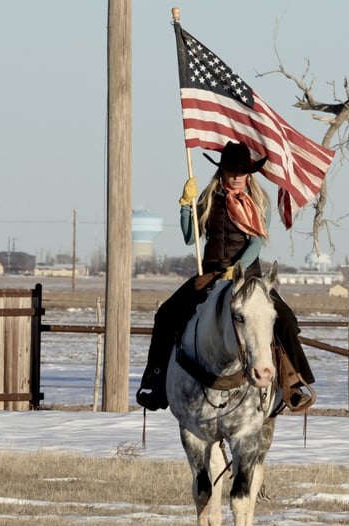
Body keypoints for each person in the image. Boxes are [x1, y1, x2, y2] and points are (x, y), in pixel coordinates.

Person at [135, 141, 315, 412]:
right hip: (210, 274)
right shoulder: (209, 198)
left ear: (249, 174)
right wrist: (186, 205)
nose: (237, 176)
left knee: (286, 319)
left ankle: (294, 382)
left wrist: (237, 268)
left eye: (242, 171)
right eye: (232, 171)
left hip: (249, 275)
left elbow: (256, 243)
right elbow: (189, 237)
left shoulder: (258, 202)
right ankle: (157, 381)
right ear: (223, 171)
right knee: (166, 315)